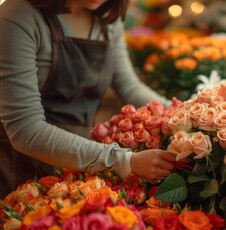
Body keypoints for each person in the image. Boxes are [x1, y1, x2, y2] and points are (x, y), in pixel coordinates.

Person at [0, 0, 176, 198]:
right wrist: (123, 161)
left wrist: (180, 111)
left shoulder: (106, 17)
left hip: (81, 166)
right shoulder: (18, 16)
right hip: (21, 172)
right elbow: (25, 129)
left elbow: (129, 87)